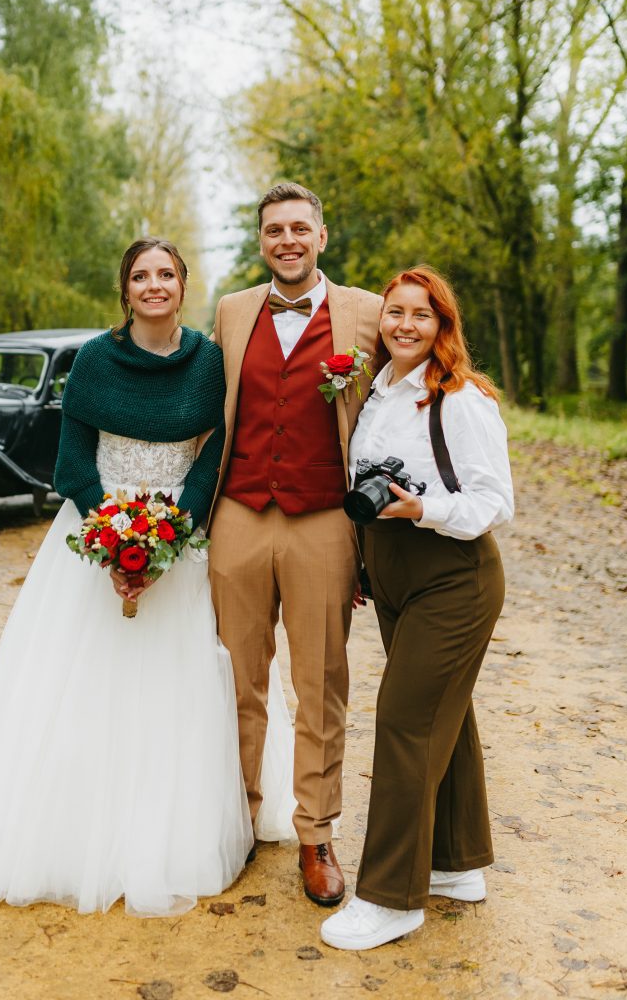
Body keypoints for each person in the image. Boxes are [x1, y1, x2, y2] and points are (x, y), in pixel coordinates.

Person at [0, 238, 291, 917]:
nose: (153, 285)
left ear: (182, 287)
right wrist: (116, 545)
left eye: (165, 274)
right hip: (94, 537)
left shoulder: (210, 363)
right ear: (124, 290)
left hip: (179, 545)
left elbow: (211, 455)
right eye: (141, 276)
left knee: (182, 683)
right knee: (73, 684)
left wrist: (169, 537)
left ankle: (176, 822)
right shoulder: (95, 361)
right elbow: (71, 462)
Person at [319, 265, 514, 951]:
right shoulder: (375, 391)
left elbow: (495, 502)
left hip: (453, 577)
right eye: (395, 312)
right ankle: (455, 864)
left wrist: (422, 507)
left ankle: (390, 898)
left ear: (443, 327)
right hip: (395, 576)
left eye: (421, 315)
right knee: (444, 718)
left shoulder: (457, 398)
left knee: (405, 722)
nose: (404, 324)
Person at [207, 182, 383, 906]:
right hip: (240, 512)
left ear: (322, 236)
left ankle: (316, 834)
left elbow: (398, 406)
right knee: (236, 681)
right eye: (274, 229)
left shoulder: (369, 313)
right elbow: (205, 411)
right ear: (262, 241)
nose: (287, 240)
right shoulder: (231, 311)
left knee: (321, 685)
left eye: (299, 228)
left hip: (323, 518)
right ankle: (242, 819)